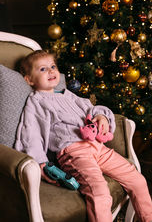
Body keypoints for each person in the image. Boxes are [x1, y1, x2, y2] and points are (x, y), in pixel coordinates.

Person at [15, 50, 152, 222]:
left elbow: (92, 109)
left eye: (53, 66)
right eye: (42, 69)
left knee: (137, 180)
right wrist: (41, 163)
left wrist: (101, 117)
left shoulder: (69, 95)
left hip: (98, 147)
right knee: (99, 192)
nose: (50, 71)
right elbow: (31, 133)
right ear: (29, 80)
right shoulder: (36, 102)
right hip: (74, 152)